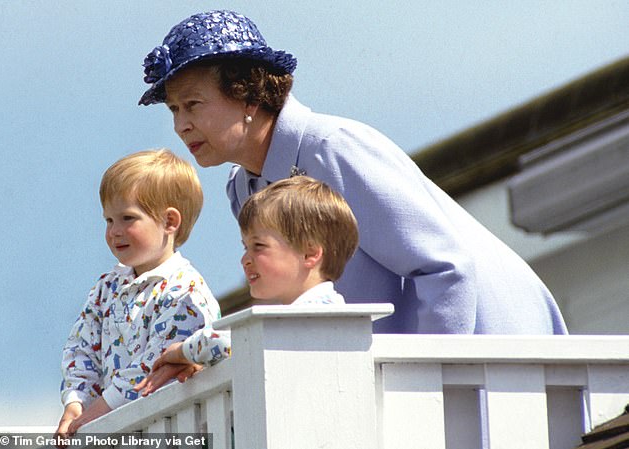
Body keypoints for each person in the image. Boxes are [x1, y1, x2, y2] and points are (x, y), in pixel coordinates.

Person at [138, 9, 568, 335]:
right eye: (174, 109)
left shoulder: (333, 147)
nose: (180, 125)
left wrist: (422, 390)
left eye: (193, 104)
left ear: (247, 94)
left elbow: (445, 267)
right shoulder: (243, 186)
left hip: (498, 356)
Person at [134, 176, 359, 396]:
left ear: (310, 253)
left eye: (258, 246)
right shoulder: (303, 315)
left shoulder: (316, 312)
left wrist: (181, 352)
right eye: (245, 248)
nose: (245, 260)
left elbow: (225, 340)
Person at [55, 150, 223, 438]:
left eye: (127, 218)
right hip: (118, 431)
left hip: (171, 431)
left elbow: (157, 360)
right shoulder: (107, 286)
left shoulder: (186, 291)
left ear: (170, 222)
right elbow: (81, 346)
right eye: (108, 220)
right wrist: (77, 401)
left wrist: (101, 410)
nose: (114, 231)